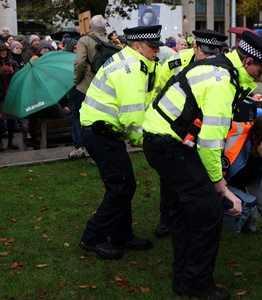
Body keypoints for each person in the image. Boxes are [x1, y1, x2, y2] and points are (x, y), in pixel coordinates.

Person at [142, 31, 262, 299]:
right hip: (168, 145)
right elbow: (209, 141)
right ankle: (196, 282)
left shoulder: (220, 69)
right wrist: (222, 187)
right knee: (208, 211)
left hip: (164, 141)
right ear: (249, 61)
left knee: (187, 211)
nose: (258, 77)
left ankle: (183, 277)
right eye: (259, 70)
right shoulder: (222, 81)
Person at [78, 25, 163, 260]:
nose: (157, 50)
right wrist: (145, 142)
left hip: (102, 131)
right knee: (121, 186)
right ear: (137, 46)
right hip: (101, 133)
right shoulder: (132, 68)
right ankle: (92, 236)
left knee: (124, 184)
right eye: (152, 46)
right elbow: (132, 114)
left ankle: (121, 235)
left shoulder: (132, 61)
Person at [152, 29, 228, 238]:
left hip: (201, 127)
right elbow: (160, 86)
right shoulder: (179, 61)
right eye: (205, 52)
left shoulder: (220, 68)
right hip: (173, 128)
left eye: (213, 53)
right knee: (169, 179)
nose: (208, 57)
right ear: (195, 47)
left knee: (194, 176)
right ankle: (166, 218)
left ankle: (189, 216)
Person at [70, 14, 108, 159]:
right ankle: (98, 150)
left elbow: (79, 62)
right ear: (103, 27)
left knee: (77, 116)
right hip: (103, 88)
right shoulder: (109, 42)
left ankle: (79, 147)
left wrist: (77, 80)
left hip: (85, 86)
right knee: (99, 118)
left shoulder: (84, 40)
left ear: (90, 26)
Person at [0, 43, 20, 151]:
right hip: (0, 94)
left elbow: (18, 76)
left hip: (11, 93)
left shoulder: (12, 62)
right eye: (1, 51)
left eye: (5, 51)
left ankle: (10, 141)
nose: (3, 52)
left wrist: (12, 72)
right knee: (0, 118)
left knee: (11, 120)